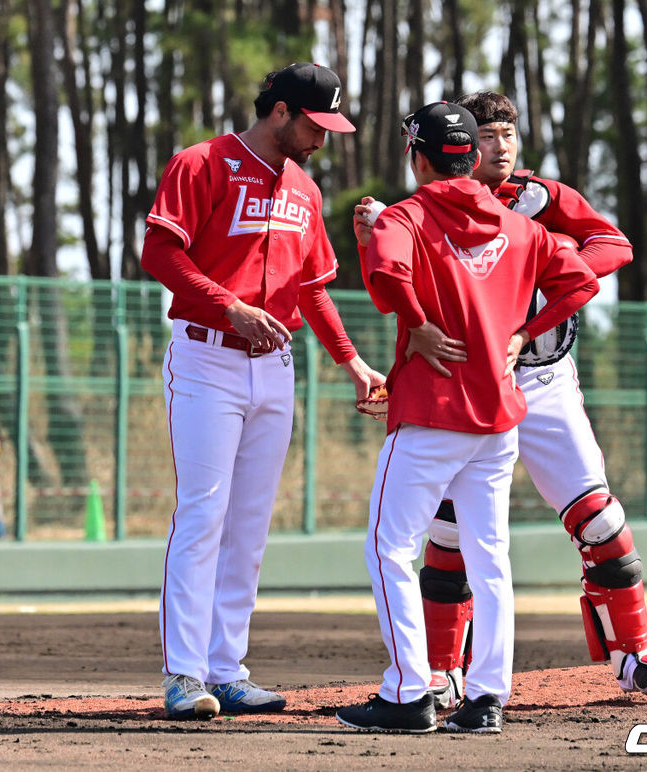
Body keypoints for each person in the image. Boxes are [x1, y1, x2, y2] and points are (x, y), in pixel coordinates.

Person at [334, 102, 599, 734]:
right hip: (499, 417)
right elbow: (583, 281)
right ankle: (486, 699)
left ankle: (408, 694)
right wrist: (527, 331)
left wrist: (415, 320)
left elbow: (387, 276)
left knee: (389, 547)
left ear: (418, 157)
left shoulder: (408, 215)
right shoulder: (521, 226)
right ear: (472, 157)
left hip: (431, 413)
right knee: (490, 554)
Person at [413, 91, 647, 709]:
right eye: (486, 135)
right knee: (451, 531)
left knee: (601, 519)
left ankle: (634, 652)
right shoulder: (433, 205)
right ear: (459, 144)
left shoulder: (541, 198)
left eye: (508, 133)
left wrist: (550, 271)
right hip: (470, 385)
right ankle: (444, 670)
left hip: (544, 376)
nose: (500, 146)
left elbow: (613, 244)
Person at [141, 62, 385, 720]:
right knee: (203, 515)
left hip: (275, 366)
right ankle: (184, 674)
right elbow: (160, 254)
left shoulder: (302, 190)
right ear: (279, 111)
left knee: (248, 527)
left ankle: (227, 669)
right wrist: (229, 307)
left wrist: (354, 362)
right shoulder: (203, 163)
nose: (323, 138)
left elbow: (312, 290)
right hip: (207, 358)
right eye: (315, 124)